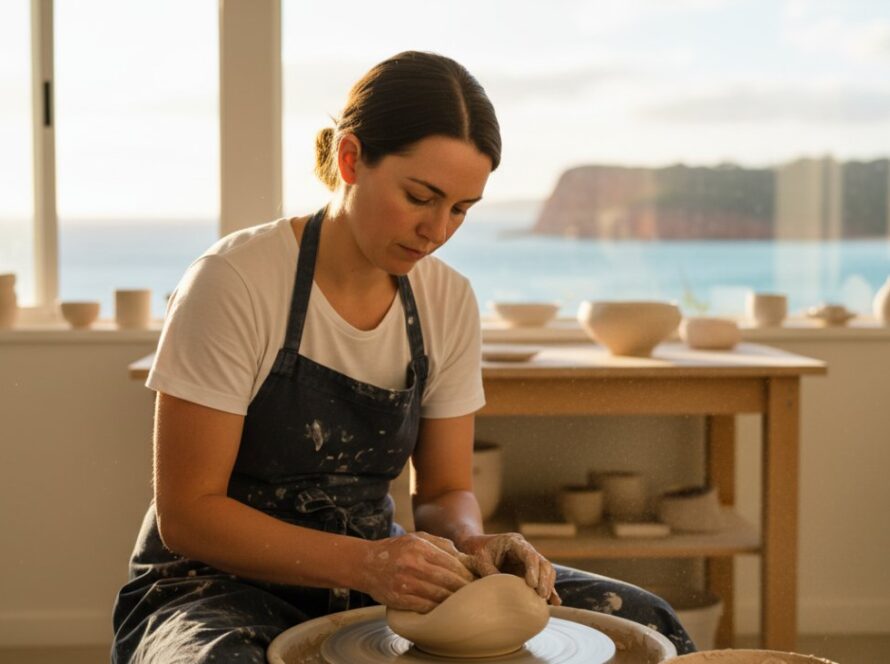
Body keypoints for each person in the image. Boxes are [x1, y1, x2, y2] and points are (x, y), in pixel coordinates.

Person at [111, 51, 695, 662]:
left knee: (647, 622)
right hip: (214, 584)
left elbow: (443, 489)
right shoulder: (235, 281)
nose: (437, 230)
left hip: (378, 575)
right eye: (421, 197)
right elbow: (189, 515)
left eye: (461, 209)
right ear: (350, 159)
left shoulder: (446, 300)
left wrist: (473, 545)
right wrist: (368, 563)